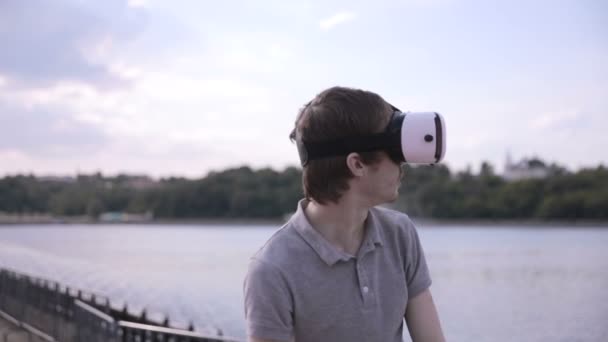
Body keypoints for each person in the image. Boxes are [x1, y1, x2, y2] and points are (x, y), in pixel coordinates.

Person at [243, 86, 446, 342]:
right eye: (395, 152)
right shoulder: (272, 269)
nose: (403, 164)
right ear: (357, 164)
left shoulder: (400, 234)